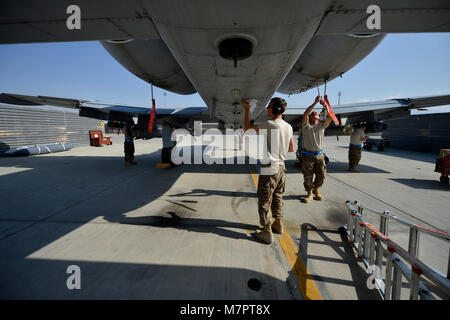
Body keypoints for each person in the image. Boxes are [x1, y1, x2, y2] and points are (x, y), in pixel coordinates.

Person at [242, 97, 295, 244]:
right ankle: (278, 224)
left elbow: (246, 128)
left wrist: (247, 110)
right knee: (278, 196)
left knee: (264, 199)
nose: (267, 109)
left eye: (269, 107)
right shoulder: (288, 127)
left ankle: (266, 231)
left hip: (270, 167)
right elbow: (291, 148)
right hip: (282, 167)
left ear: (276, 109)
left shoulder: (269, 124)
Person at [301, 96, 332, 203]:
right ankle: (309, 193)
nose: (315, 114)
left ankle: (316, 189)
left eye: (317, 114)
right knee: (308, 176)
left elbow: (331, 116)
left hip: (319, 155)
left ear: (319, 117)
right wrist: (315, 102)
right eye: (313, 114)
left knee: (322, 175)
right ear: (310, 117)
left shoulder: (322, 126)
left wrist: (324, 104)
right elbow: (305, 114)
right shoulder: (306, 126)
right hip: (307, 155)